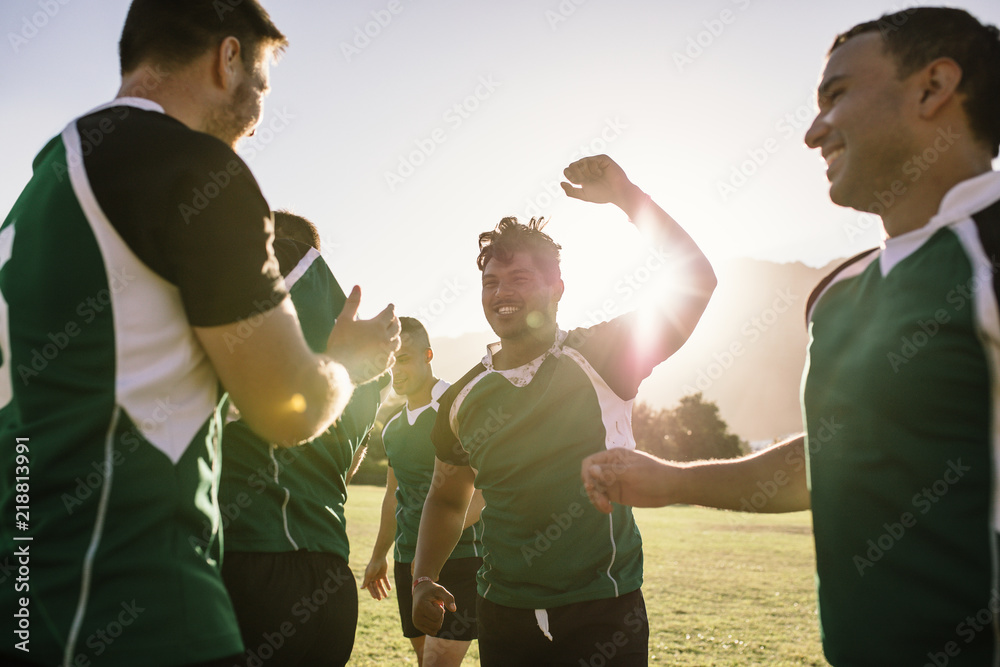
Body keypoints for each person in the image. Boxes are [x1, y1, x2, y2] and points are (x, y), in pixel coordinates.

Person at [581, 7, 1000, 666]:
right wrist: (674, 480)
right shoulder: (837, 295)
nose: (813, 132)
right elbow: (834, 456)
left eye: (836, 95)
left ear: (932, 87)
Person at [0, 2, 399, 666]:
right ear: (228, 58)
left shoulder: (45, 182)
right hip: (139, 605)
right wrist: (345, 363)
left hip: (28, 596)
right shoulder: (193, 169)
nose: (258, 112)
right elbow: (289, 406)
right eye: (261, 85)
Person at [411, 154, 717, 666]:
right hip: (503, 611)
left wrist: (627, 198)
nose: (502, 292)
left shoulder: (606, 354)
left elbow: (697, 280)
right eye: (491, 282)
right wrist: (423, 578)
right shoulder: (462, 397)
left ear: (557, 289)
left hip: (604, 605)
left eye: (520, 279)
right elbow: (446, 499)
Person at [219, 211, 390, 667]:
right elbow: (347, 468)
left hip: (255, 554)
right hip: (331, 576)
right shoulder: (368, 361)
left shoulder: (275, 282)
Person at [361, 317, 484, 667]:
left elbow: (485, 490)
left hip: (457, 560)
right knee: (424, 660)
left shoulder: (459, 405)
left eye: (405, 358)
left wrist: (433, 547)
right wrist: (378, 555)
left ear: (428, 355)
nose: (395, 369)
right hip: (405, 563)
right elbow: (392, 496)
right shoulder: (394, 427)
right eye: (390, 359)